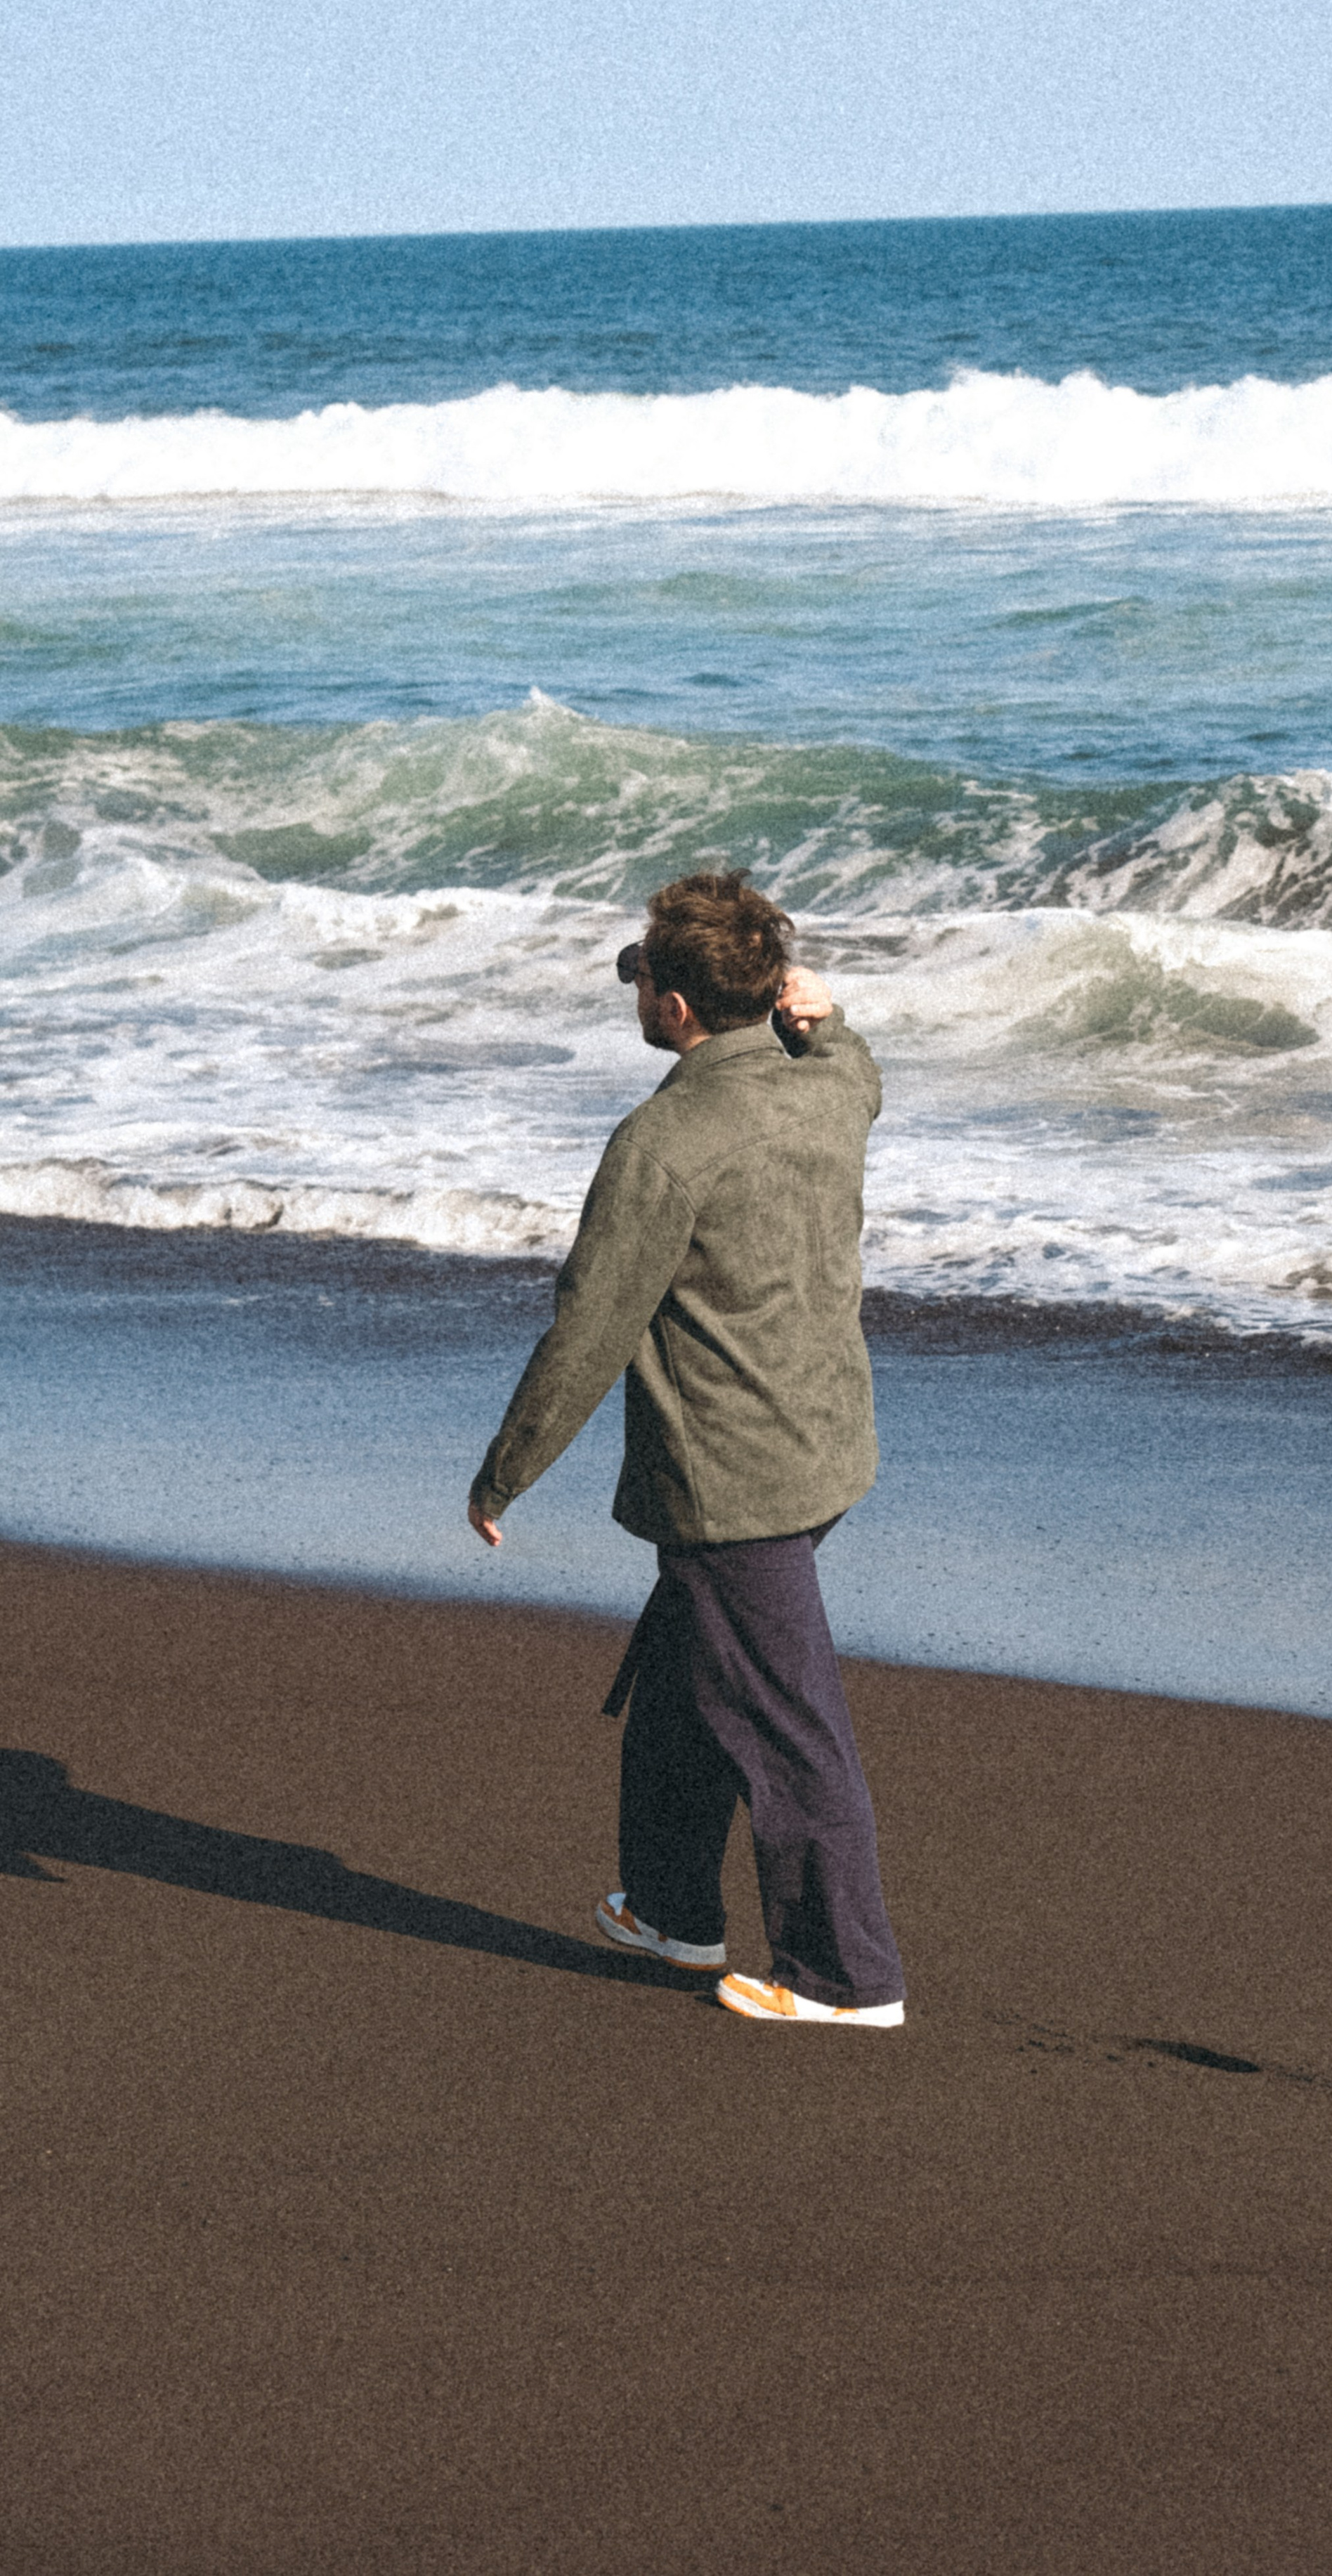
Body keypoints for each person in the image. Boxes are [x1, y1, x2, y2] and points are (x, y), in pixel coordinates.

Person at [467, 869, 906, 2028]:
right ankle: (670, 1910)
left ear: (673, 1008)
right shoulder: (829, 1087)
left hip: (735, 1478)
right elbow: (860, 1074)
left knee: (785, 1723)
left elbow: (592, 1324)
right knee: (685, 1675)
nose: (639, 996)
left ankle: (846, 1979)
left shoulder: (667, 1138)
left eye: (645, 979)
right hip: (826, 1447)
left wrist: (506, 1470)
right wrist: (831, 1019)